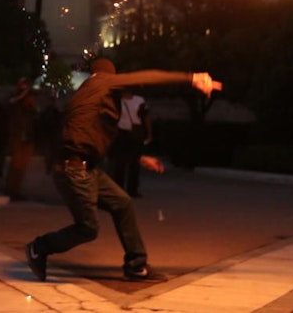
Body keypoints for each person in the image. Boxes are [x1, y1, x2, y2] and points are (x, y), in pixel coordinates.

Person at [24, 58, 220, 282]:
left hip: (85, 167)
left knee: (122, 203)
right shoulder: (105, 83)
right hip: (75, 169)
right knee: (88, 228)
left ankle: (136, 265)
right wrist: (191, 78)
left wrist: (139, 157)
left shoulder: (88, 94)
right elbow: (148, 77)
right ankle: (39, 247)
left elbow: (97, 138)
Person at [109, 88, 151, 197]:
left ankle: (131, 190)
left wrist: (149, 133)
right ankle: (122, 190)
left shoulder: (139, 100)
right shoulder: (118, 101)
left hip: (135, 133)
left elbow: (145, 117)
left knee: (133, 163)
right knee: (121, 163)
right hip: (122, 133)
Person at [5, 78, 37, 201]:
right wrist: (20, 96)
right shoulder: (15, 106)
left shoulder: (30, 110)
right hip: (18, 138)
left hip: (27, 139)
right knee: (16, 165)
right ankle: (11, 189)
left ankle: (16, 190)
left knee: (21, 167)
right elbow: (9, 104)